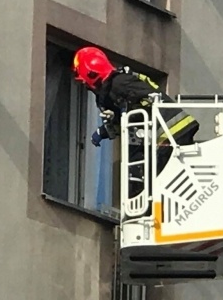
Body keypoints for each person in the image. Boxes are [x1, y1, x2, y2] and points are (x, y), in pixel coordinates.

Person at [71, 46, 200, 201]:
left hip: (171, 131)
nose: (85, 85)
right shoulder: (114, 87)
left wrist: (127, 113)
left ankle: (152, 209)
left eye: (84, 81)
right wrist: (104, 131)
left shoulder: (120, 83)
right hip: (170, 131)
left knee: (153, 178)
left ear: (91, 75)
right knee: (149, 175)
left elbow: (146, 101)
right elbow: (125, 116)